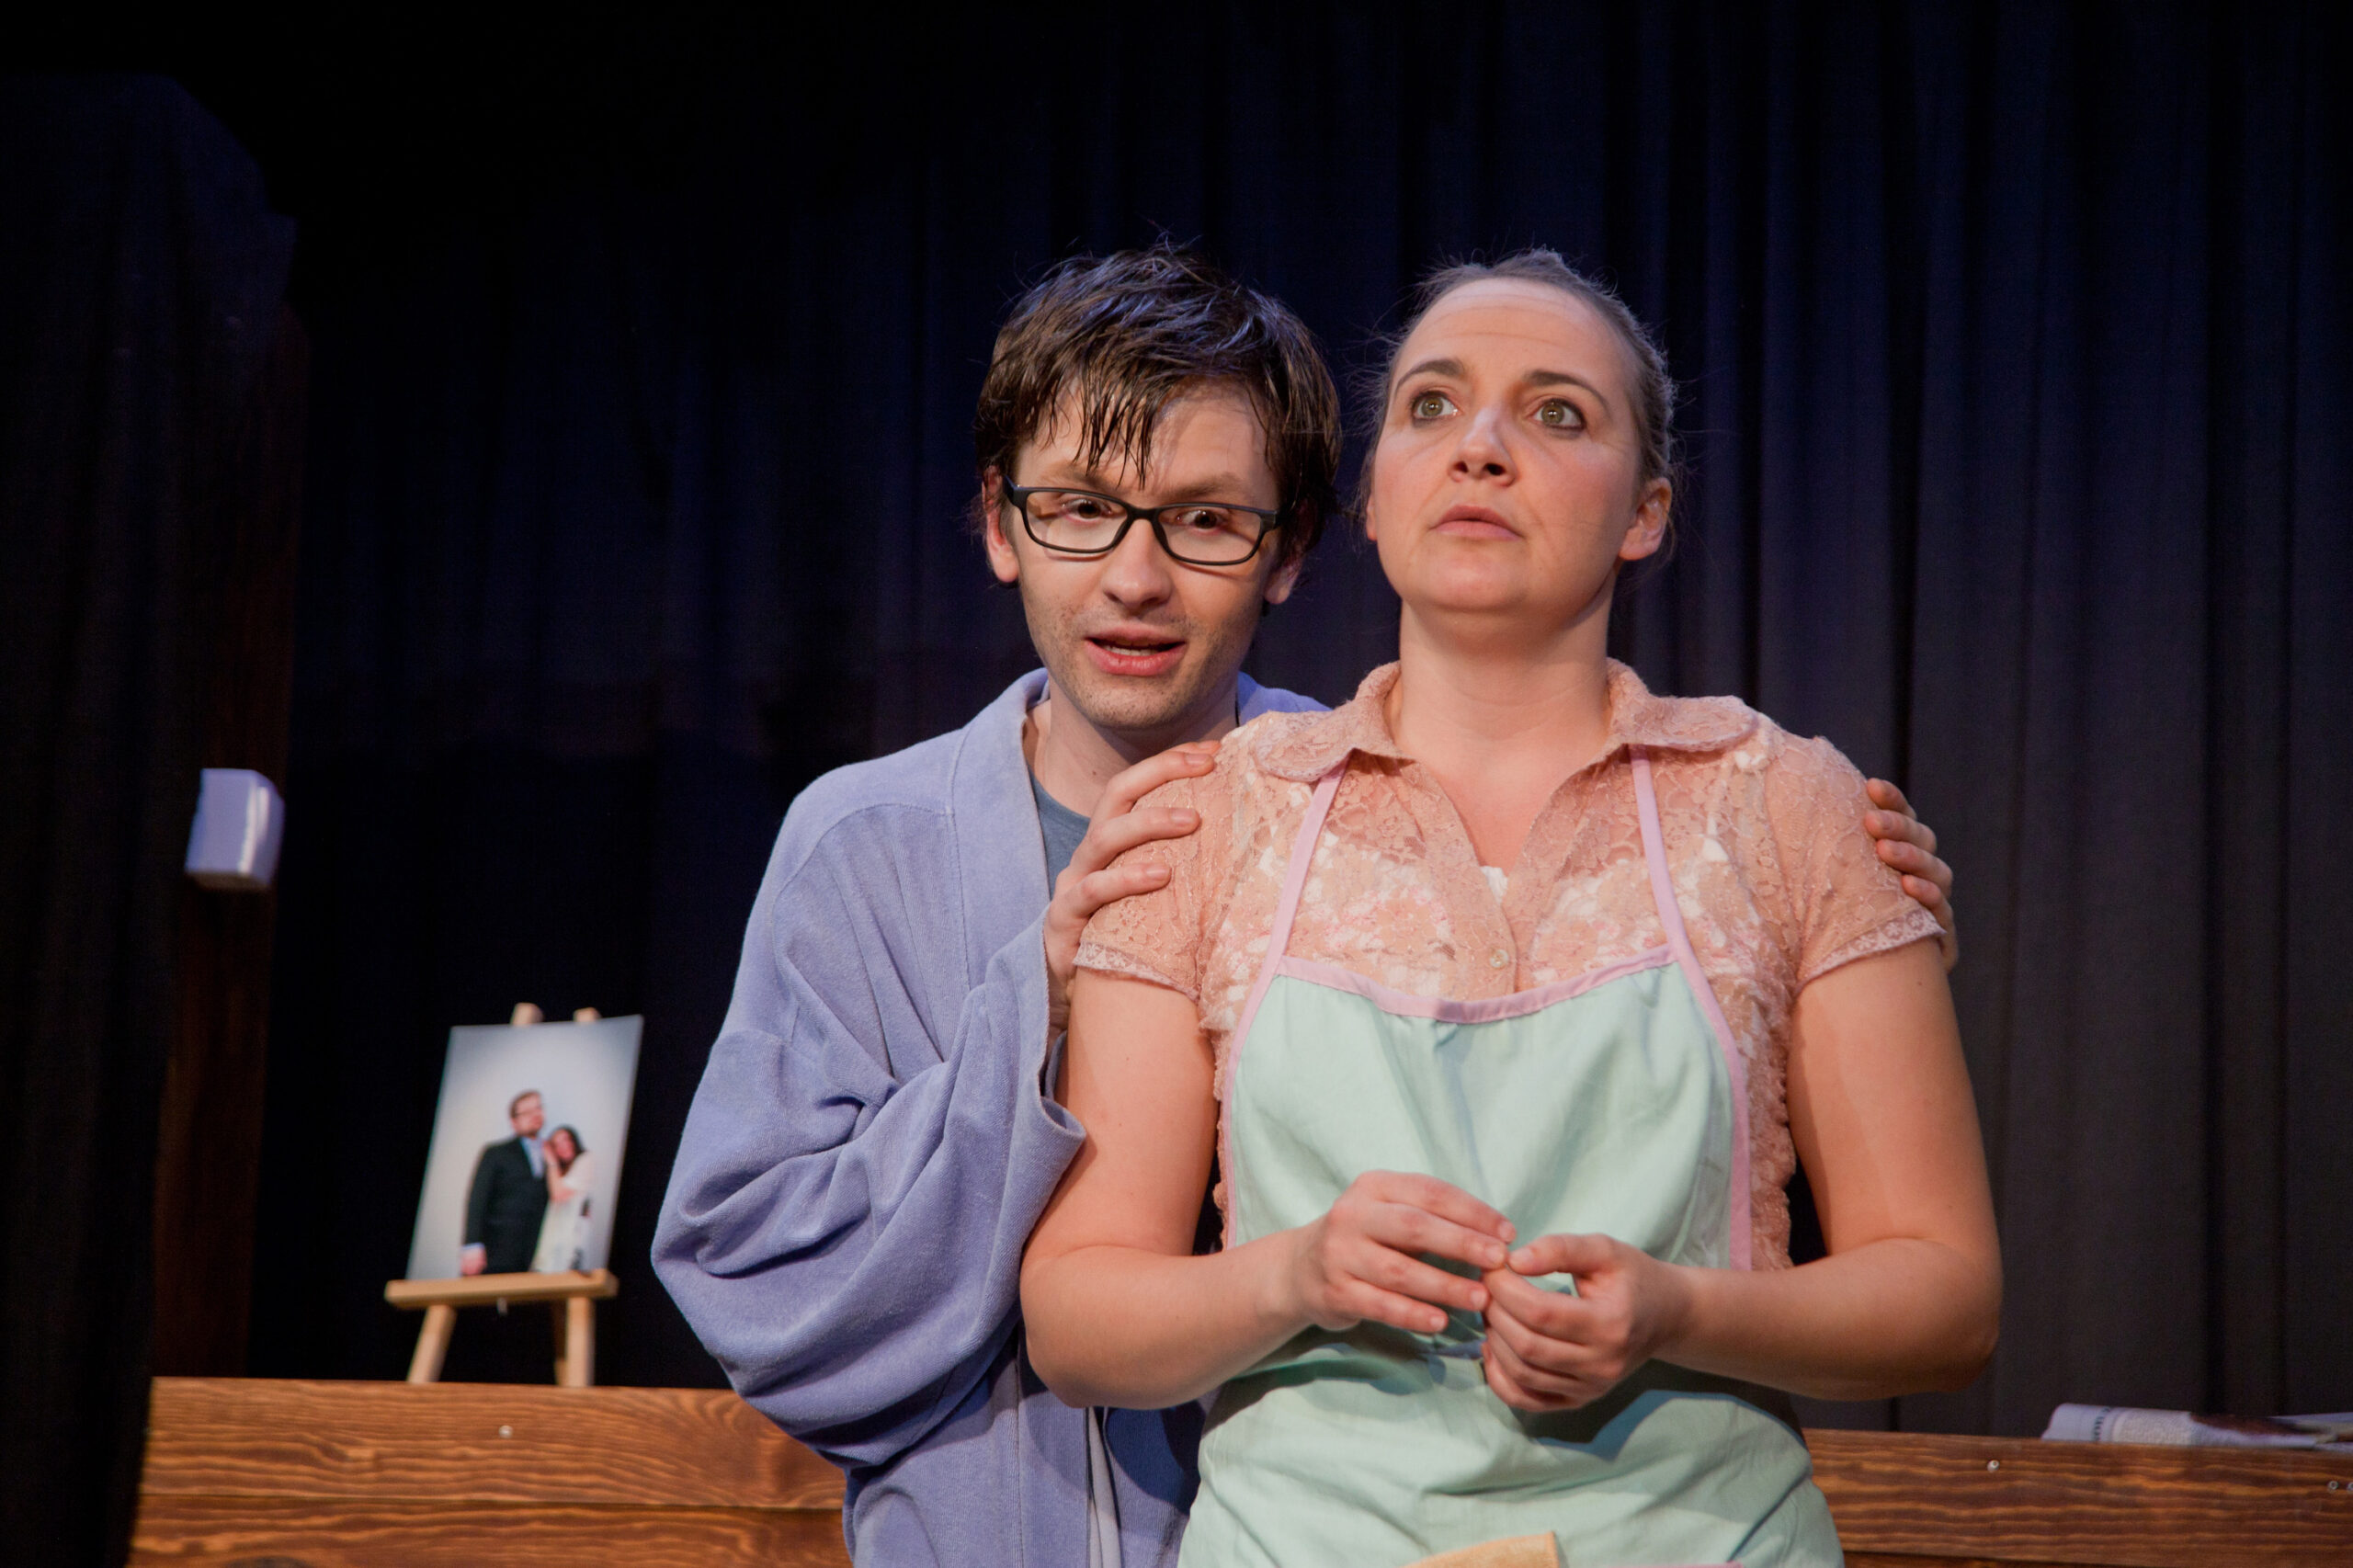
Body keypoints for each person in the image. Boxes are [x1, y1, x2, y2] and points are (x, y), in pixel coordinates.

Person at [654, 246, 1961, 1567]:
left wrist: (1818, 935)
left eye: (1205, 520)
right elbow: (763, 1272)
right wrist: (1030, 1002)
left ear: (1291, 551)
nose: (1136, 575)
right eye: (1082, 508)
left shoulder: (1365, 804)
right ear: (1000, 523)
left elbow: (1858, 1250)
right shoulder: (894, 845)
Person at [1021, 251, 2001, 1568]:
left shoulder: (1786, 806)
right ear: (1372, 500)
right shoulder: (1211, 818)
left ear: (1645, 510)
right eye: (1431, 405)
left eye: (1556, 413)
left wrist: (1680, 1311)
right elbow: (1077, 1314)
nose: (1479, 445)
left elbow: (1944, 1293)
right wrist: (1295, 1272)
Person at [461, 1089, 549, 1277]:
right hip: (496, 1252)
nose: (535, 1115)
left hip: (536, 1257)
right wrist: (472, 1245)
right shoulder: (496, 1153)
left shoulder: (552, 1155)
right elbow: (478, 1199)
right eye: (527, 1112)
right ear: (514, 1122)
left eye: (538, 1108)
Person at [531, 1125, 594, 1273]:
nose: (563, 1146)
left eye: (566, 1140)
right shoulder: (557, 1173)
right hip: (552, 1246)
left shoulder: (586, 1160)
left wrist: (551, 1161)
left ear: (574, 1141)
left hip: (574, 1243)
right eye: (556, 1144)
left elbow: (559, 1194)